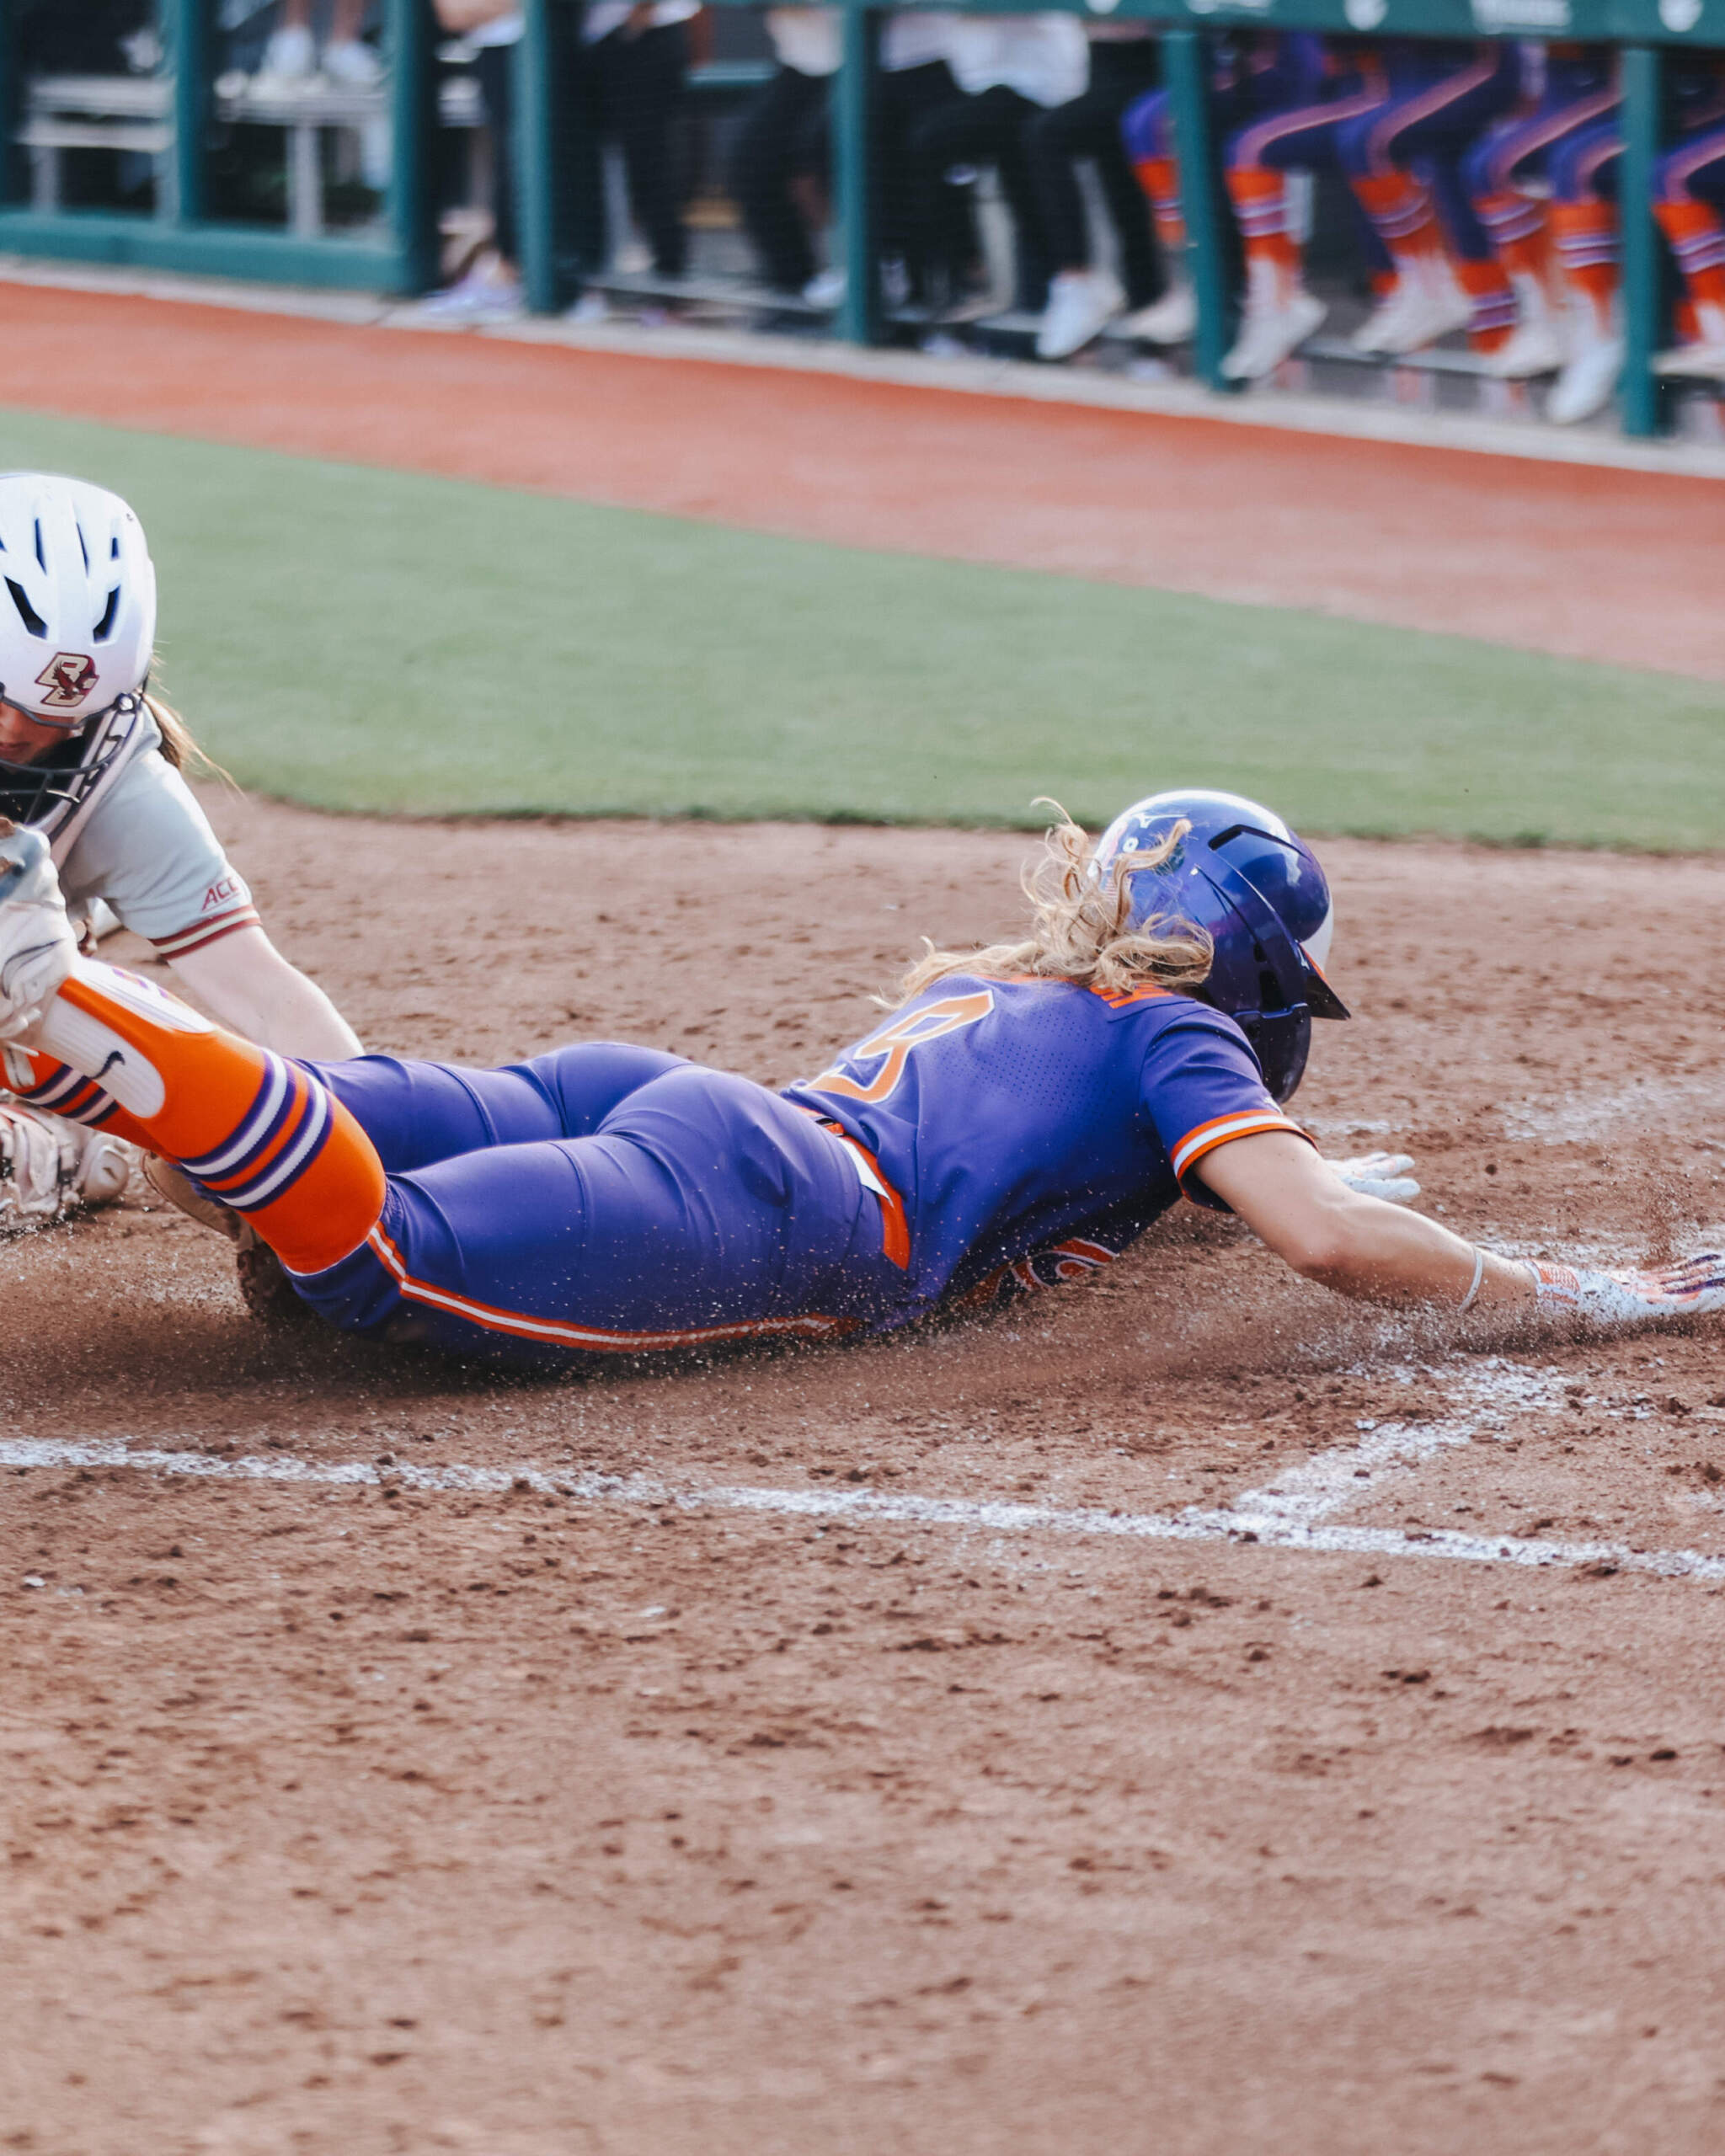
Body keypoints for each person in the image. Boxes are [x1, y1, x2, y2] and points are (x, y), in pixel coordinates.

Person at [4, 790, 1720, 1364]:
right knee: (366, 1261)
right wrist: (1575, 1290)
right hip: (765, 1200)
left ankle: (64, 1005)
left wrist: (1275, 1172)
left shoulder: (1017, 982)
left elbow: (1139, 1173)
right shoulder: (1173, 1030)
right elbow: (1325, 1241)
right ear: (1256, 960)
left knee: (252, 1167)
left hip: (662, 1106)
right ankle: (54, 999)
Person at [0, 474, 360, 1233]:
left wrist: (375, 1147)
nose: (16, 732)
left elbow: (261, 990)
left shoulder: (119, 791)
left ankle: (57, 1143)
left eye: (58, 718)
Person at [1023, 21, 1163, 360]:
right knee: (1119, 182)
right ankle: (1146, 333)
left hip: (1162, 60)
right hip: (1103, 60)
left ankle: (1078, 277)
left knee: (1048, 134)